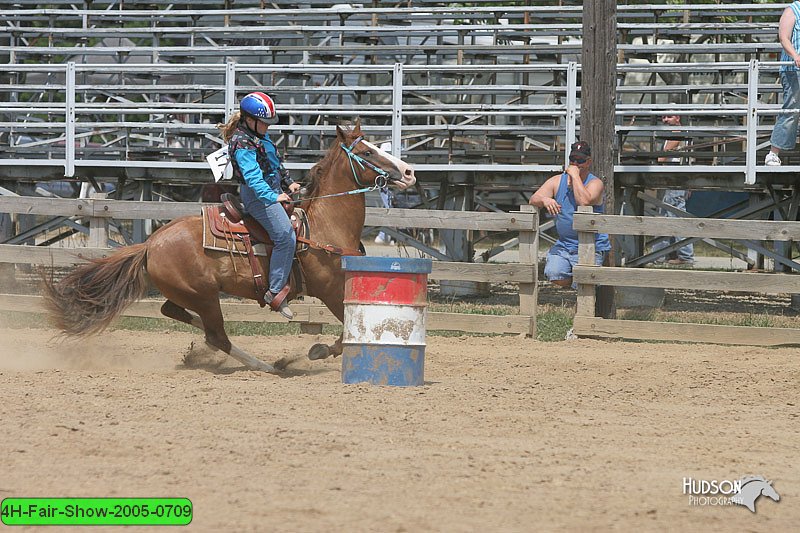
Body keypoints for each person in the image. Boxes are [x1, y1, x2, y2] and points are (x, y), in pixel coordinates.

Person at [217, 92, 300, 319]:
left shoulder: (258, 136)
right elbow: (253, 178)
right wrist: (273, 197)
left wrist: (289, 182)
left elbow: (274, 163)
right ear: (249, 119)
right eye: (264, 122)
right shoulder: (242, 142)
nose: (267, 126)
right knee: (285, 236)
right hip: (257, 196)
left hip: (272, 190)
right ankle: (274, 291)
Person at [529, 141, 611, 289]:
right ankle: (576, 285)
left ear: (588, 162)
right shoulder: (556, 181)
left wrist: (574, 176)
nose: (575, 163)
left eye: (580, 160)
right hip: (564, 245)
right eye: (572, 159)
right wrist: (545, 199)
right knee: (553, 273)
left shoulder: (595, 183)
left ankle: (582, 291)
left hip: (591, 244)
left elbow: (583, 202)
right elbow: (533, 199)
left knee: (585, 284)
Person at [653, 114, 694, 265]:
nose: (665, 120)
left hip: (675, 179)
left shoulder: (678, 134)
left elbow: (662, 158)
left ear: (678, 117)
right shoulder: (677, 134)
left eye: (669, 117)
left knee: (675, 218)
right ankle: (659, 255)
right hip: (675, 179)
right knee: (665, 217)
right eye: (663, 117)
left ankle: (685, 256)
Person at [765, 1, 800, 166]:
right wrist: (795, 55)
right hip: (793, 69)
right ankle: (773, 153)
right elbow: (783, 38)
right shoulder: (792, 10)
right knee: (791, 110)